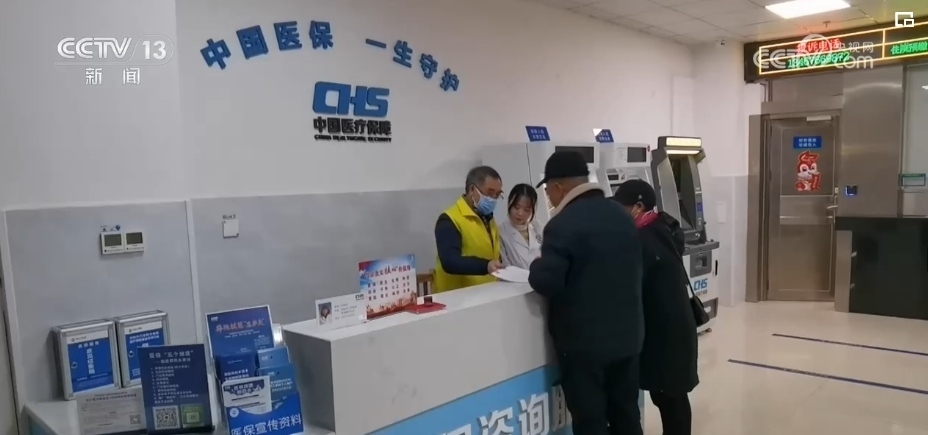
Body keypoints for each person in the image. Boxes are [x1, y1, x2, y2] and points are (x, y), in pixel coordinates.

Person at [528, 151, 644, 435]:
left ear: (558, 187)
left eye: (547, 190)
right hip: (628, 338)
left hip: (585, 348)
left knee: (591, 422)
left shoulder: (562, 225)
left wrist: (535, 267)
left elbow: (547, 282)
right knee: (626, 414)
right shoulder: (622, 216)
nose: (549, 197)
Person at [613, 179, 698, 435]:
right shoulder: (663, 227)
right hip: (672, 328)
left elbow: (629, 283)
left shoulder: (644, 240)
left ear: (638, 207)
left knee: (670, 398)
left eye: (621, 207)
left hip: (665, 333)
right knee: (669, 396)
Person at [433, 166, 505, 293]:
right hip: (457, 297)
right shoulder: (449, 220)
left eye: (497, 195)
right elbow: (450, 261)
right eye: (490, 193)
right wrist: (486, 266)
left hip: (487, 293)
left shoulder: (488, 218)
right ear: (472, 190)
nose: (493, 199)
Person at [498, 183, 543, 269]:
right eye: (516, 207)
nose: (520, 213)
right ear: (509, 203)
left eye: (526, 210)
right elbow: (505, 265)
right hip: (515, 277)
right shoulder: (501, 232)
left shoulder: (538, 227)